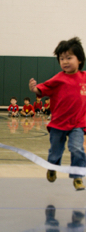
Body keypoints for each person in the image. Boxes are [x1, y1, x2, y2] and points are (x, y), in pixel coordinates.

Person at [29, 37, 86, 190]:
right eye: (62, 59)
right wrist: (35, 89)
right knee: (55, 150)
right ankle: (52, 166)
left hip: (77, 123)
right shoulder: (58, 79)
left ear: (80, 59)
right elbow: (43, 89)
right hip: (59, 124)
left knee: (77, 149)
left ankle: (78, 176)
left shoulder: (84, 78)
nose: (65, 61)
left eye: (69, 57)